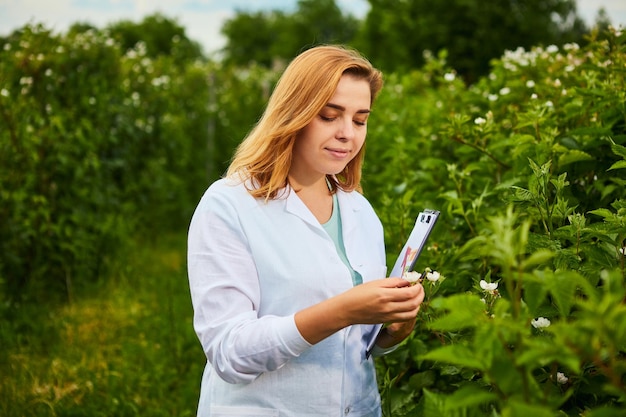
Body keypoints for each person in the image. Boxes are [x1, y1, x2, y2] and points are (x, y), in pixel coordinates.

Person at [187, 44, 425, 417]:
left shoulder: (358, 210)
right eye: (330, 116)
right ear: (295, 113)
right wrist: (341, 311)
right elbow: (229, 353)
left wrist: (393, 327)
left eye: (360, 120)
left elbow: (357, 344)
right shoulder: (229, 205)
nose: (348, 133)